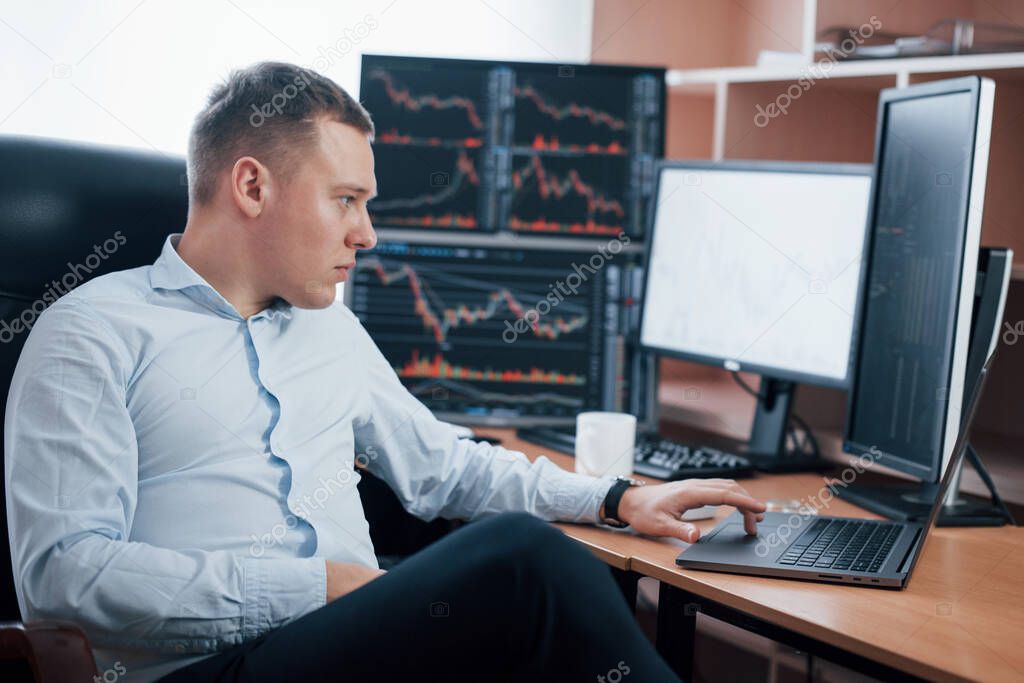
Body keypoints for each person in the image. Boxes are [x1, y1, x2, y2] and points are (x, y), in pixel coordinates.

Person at [4, 62, 766, 683]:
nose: (365, 232)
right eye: (346, 200)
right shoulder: (90, 334)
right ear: (252, 186)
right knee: (522, 562)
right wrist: (324, 587)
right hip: (196, 672)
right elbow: (67, 580)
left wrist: (617, 496)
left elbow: (444, 468)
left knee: (555, 598)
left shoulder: (324, 323)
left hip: (348, 650)